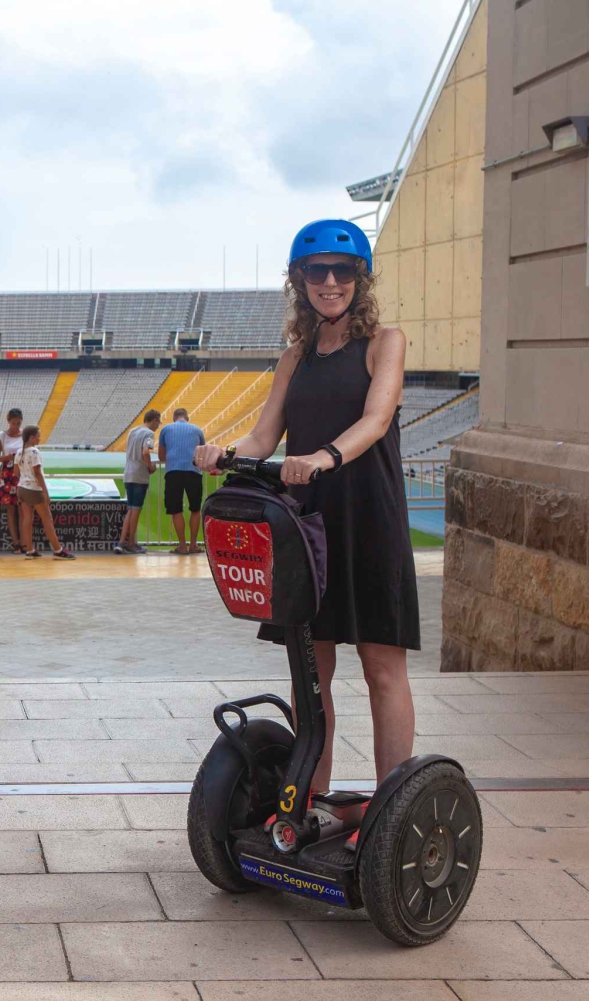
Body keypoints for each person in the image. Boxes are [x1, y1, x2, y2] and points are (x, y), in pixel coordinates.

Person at [195, 219, 416, 795]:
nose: (330, 281)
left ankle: (390, 807)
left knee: (382, 669)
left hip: (368, 517)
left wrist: (323, 457)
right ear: (300, 281)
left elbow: (377, 418)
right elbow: (264, 438)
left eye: (343, 271)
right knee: (309, 676)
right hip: (307, 524)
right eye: (317, 271)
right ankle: (307, 801)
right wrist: (224, 453)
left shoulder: (385, 343)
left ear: (359, 280)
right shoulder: (295, 357)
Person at [16, 425, 76, 559]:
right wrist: (45, 492)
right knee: (47, 519)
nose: (40, 438)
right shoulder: (34, 452)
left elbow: (16, 472)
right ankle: (58, 550)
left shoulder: (19, 452)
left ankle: (30, 550)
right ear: (32, 437)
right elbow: (38, 473)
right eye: (38, 435)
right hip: (34, 490)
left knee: (27, 519)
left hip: (21, 488)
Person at [157, 407, 206, 554]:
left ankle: (182, 546)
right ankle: (193, 544)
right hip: (194, 471)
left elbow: (161, 456)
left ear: (174, 418)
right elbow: (202, 452)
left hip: (173, 472)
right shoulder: (197, 430)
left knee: (176, 509)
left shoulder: (166, 429)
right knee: (195, 509)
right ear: (187, 417)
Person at [115, 409, 160, 554]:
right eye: (158, 422)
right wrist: (150, 466)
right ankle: (131, 543)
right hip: (139, 474)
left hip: (128, 472)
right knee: (136, 509)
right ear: (154, 420)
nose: (158, 425)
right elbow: (146, 452)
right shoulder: (149, 434)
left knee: (131, 508)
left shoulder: (133, 431)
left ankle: (122, 542)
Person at [0, 408, 25, 553]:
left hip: (22, 473)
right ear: (8, 421)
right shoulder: (2, 436)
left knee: (22, 509)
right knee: (11, 510)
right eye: (13, 423)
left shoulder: (25, 434)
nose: (16, 426)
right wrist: (9, 457)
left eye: (18, 423)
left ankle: (25, 542)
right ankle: (16, 543)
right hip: (7, 475)